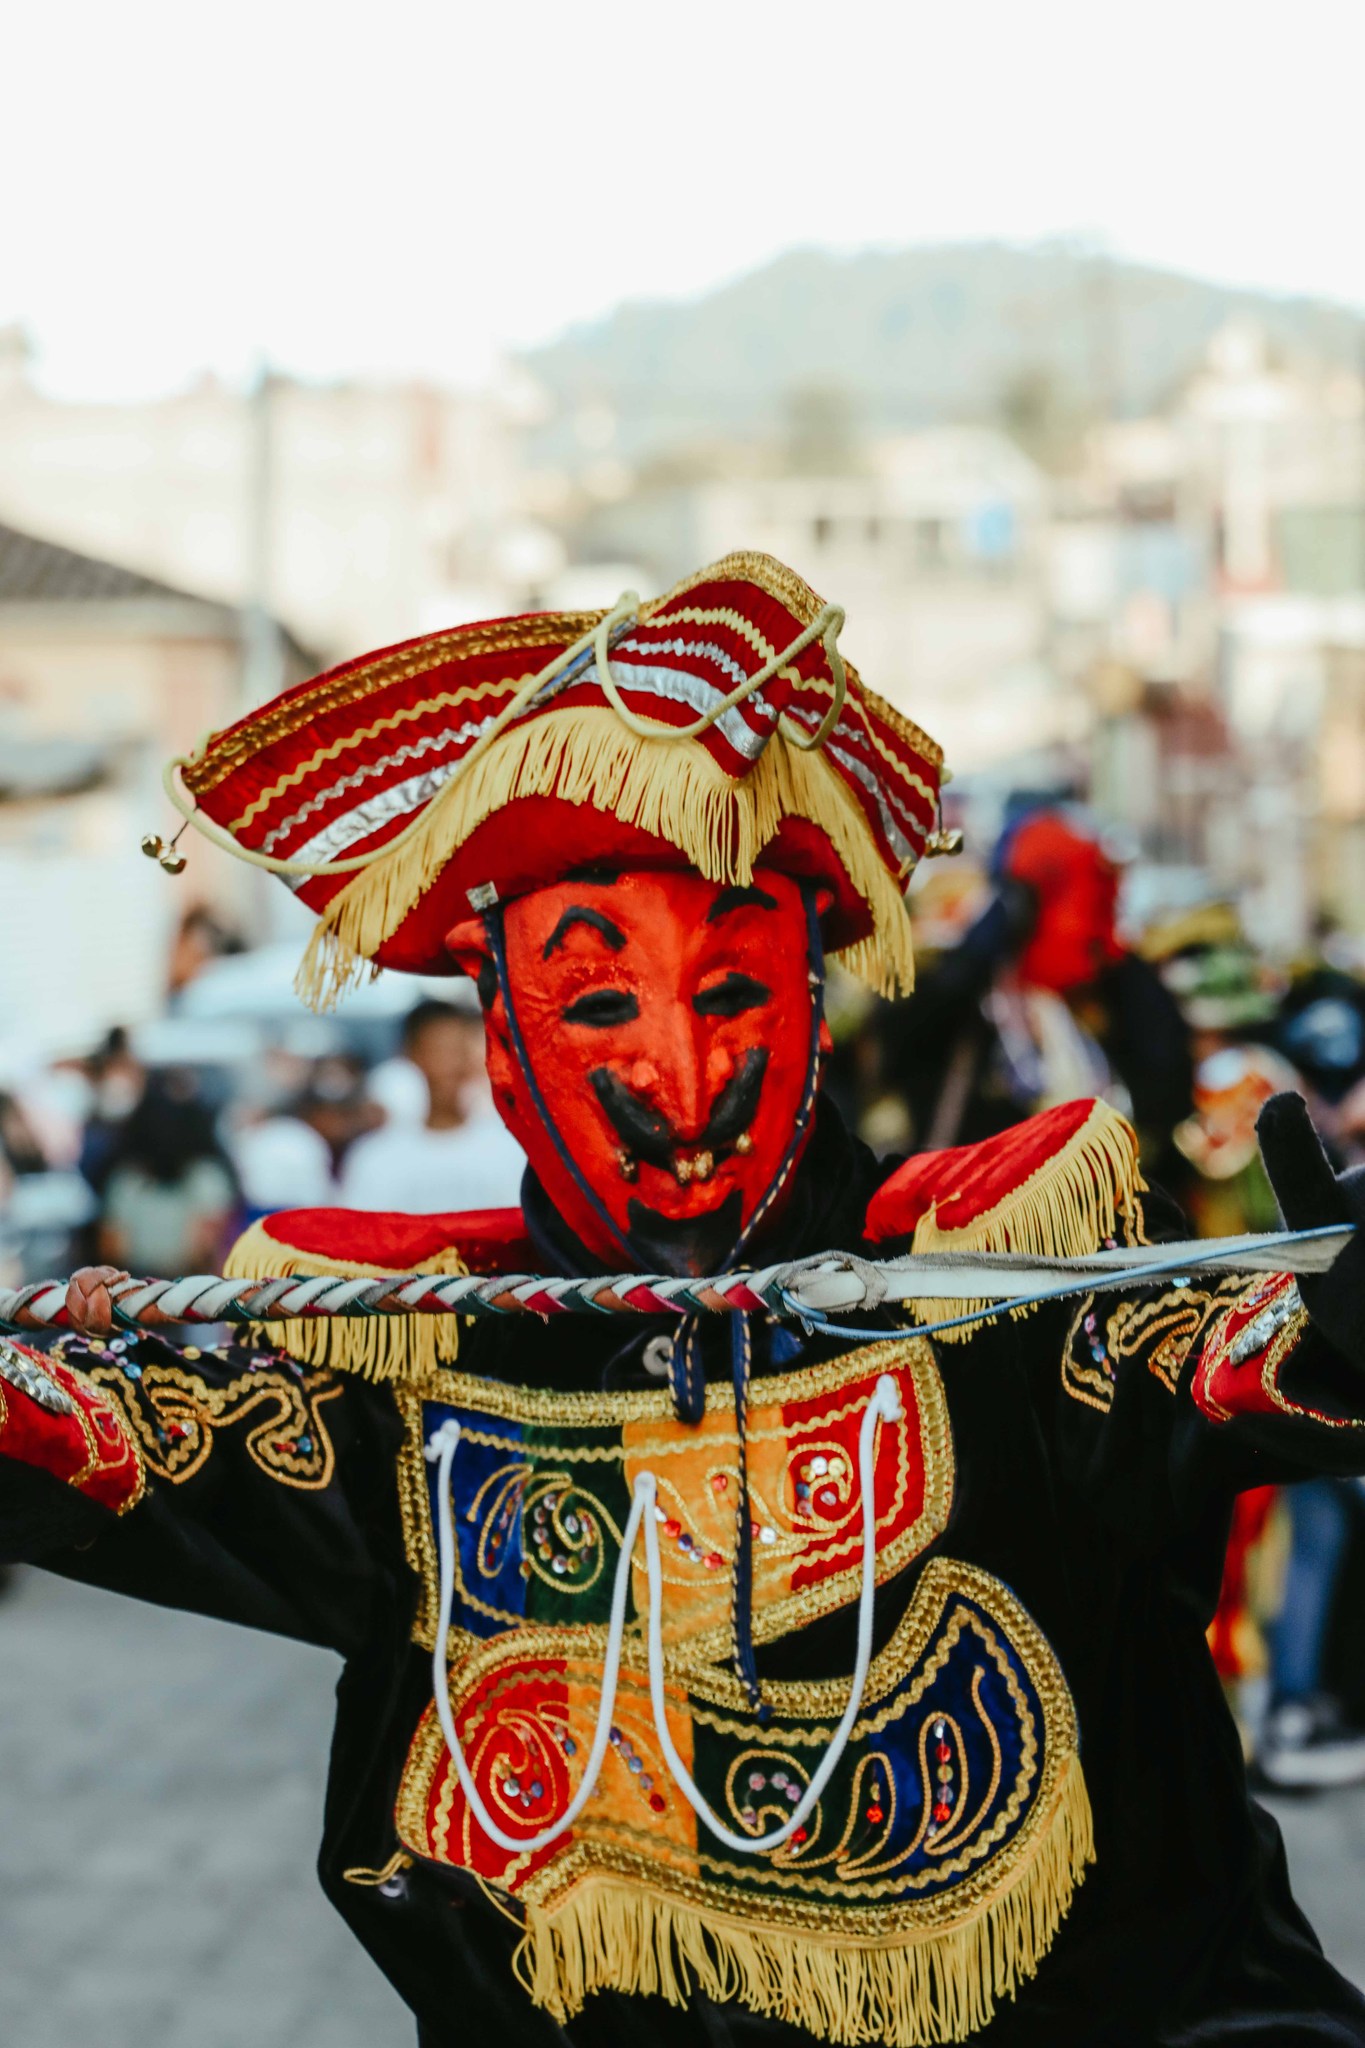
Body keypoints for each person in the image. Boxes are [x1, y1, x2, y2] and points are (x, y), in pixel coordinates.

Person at [4, 553, 1365, 2047]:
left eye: (733, 996)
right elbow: (80, 1446)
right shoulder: (393, 1364)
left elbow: (1249, 1366)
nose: (686, 1079)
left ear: (815, 991)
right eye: (599, 1005)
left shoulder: (1009, 1291)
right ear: (499, 1025)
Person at [877, 804, 1194, 1184]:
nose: (1093, 923)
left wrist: (1122, 967)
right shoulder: (975, 998)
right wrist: (983, 946)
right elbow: (893, 1047)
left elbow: (1169, 1092)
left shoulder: (1108, 991)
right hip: (976, 1223)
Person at [340, 996, 525, 1212]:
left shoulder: (508, 1149)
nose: (452, 1065)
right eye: (440, 1051)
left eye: (460, 1051)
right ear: (412, 1054)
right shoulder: (375, 1157)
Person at [96, 1069, 238, 1279]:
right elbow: (206, 1248)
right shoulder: (207, 1178)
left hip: (155, 1285)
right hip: (164, 1284)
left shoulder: (127, 1181)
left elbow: (111, 1247)